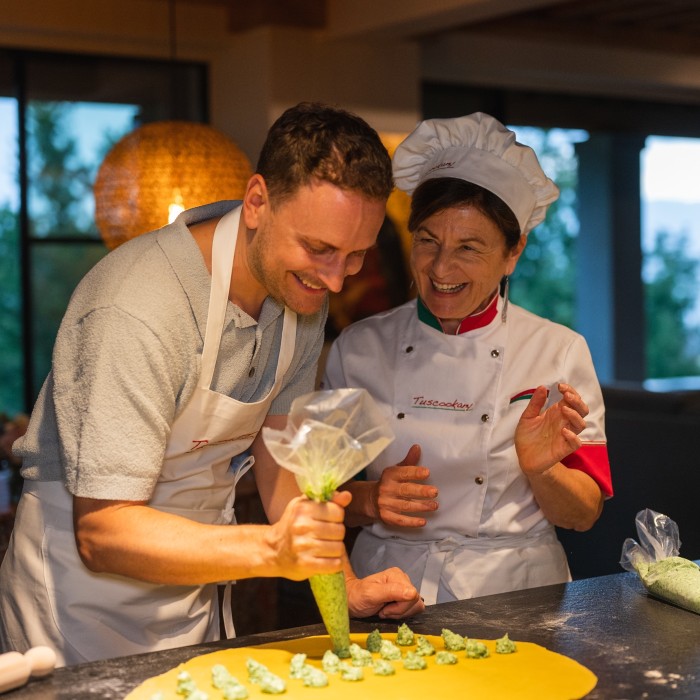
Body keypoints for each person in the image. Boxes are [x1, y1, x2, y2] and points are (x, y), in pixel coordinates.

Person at [0, 102, 424, 666]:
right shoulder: (137, 307)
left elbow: (279, 461)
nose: (335, 277)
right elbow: (102, 532)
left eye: (355, 255)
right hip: (79, 610)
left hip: (193, 591)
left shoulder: (302, 295)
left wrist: (343, 586)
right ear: (256, 202)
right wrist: (271, 548)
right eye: (319, 248)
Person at [321, 112, 613, 606]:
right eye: (428, 241)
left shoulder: (558, 351)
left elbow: (583, 514)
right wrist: (370, 500)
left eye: (468, 248)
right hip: (389, 590)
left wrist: (542, 471)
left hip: (519, 593)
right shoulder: (358, 347)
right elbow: (309, 494)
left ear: (513, 252)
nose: (440, 268)